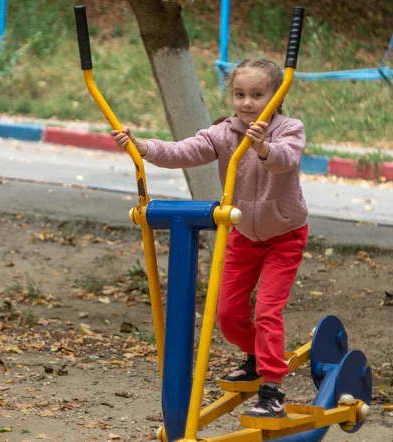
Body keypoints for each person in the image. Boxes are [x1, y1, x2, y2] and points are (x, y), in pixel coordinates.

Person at [111, 57, 308, 418]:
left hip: (284, 235)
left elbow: (286, 160)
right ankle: (259, 355)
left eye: (257, 94)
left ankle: (272, 388)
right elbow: (184, 151)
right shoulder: (225, 132)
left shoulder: (288, 129)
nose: (247, 103)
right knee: (229, 314)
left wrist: (262, 146)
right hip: (243, 234)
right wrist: (144, 148)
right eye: (239, 94)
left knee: (266, 310)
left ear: (277, 96)